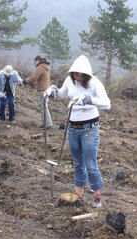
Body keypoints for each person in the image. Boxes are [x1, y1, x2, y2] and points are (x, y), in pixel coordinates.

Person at [45, 55, 111, 208]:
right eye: (76, 73)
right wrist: (53, 91)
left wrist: (90, 100)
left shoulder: (94, 83)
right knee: (78, 163)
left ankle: (97, 194)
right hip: (73, 128)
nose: (78, 77)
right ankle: (79, 194)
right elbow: (62, 94)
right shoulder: (70, 81)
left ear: (87, 75)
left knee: (90, 164)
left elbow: (107, 104)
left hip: (89, 128)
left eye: (81, 75)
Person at [23, 56, 53, 128]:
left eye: (35, 61)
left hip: (43, 89)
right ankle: (45, 123)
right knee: (44, 106)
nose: (34, 63)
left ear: (38, 60)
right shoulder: (46, 66)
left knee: (44, 107)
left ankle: (48, 124)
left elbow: (34, 77)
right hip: (46, 88)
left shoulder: (40, 67)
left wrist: (25, 81)